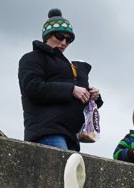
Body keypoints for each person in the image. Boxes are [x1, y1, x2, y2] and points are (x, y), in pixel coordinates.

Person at [17, 9, 99, 151]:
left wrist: (92, 96)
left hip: (70, 137)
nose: (64, 42)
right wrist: (71, 89)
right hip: (47, 132)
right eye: (60, 36)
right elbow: (32, 87)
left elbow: (74, 95)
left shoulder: (68, 65)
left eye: (69, 39)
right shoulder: (32, 58)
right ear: (48, 36)